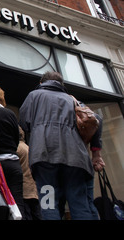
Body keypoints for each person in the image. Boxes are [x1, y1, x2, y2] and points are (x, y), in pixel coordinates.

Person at [19, 71, 97, 220]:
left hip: (44, 157)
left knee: (48, 203)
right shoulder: (72, 100)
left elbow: (24, 122)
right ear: (61, 85)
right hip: (75, 159)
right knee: (79, 203)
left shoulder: (34, 96)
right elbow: (95, 119)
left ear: (42, 83)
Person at [0, 84, 26, 219]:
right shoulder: (9, 114)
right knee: (17, 203)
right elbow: (16, 139)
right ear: (2, 97)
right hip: (11, 162)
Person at [16, 127, 42, 220]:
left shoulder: (17, 149)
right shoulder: (27, 147)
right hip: (33, 189)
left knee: (27, 215)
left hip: (25, 189)